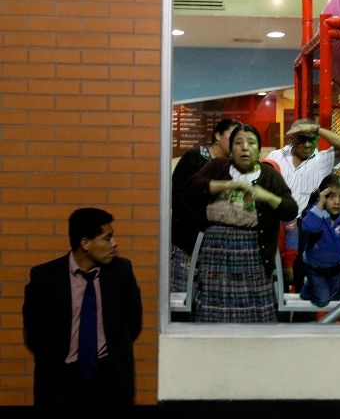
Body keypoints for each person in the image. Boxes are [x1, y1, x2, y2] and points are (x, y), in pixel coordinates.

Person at [22, 208, 142, 416]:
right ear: (85, 243)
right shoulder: (44, 277)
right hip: (61, 382)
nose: (114, 244)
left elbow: (132, 324)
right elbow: (34, 332)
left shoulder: (121, 272)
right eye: (107, 238)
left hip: (108, 378)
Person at [186, 124, 298, 322]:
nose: (245, 148)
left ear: (258, 149)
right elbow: (191, 188)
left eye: (251, 143)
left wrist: (266, 196)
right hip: (216, 252)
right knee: (214, 310)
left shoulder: (268, 174)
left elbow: (290, 210)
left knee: (254, 313)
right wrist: (228, 185)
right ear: (231, 149)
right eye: (238, 143)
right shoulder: (218, 167)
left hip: (254, 252)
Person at [265, 118, 340, 291]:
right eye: (302, 138)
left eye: (312, 138)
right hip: (275, 227)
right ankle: (276, 317)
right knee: (275, 282)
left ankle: (304, 319)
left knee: (302, 282)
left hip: (305, 230)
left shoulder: (322, 160)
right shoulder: (276, 156)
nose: (307, 143)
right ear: (292, 138)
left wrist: (316, 128)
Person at [171, 118, 243, 297]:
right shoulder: (195, 158)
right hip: (187, 242)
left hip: (215, 246)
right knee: (183, 298)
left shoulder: (232, 167)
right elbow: (178, 197)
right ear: (218, 135)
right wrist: (198, 227)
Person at [298, 174, 340, 307]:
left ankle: (331, 290)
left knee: (332, 298)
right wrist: (320, 203)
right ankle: (307, 290)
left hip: (337, 267)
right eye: (331, 197)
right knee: (322, 301)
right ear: (323, 197)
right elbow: (310, 227)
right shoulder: (315, 212)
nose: (337, 202)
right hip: (315, 266)